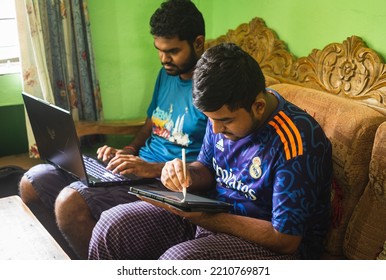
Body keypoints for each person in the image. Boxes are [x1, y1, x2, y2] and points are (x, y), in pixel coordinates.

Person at [88, 43, 333, 260]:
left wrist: (205, 218)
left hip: (272, 243)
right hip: (213, 212)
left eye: (224, 121)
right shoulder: (220, 115)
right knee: (113, 224)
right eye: (210, 119)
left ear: (258, 106)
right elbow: (205, 168)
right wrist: (182, 173)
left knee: (179, 262)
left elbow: (286, 240)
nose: (215, 128)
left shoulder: (296, 140)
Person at [18, 0, 207, 259]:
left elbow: (212, 166)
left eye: (172, 51)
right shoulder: (167, 74)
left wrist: (151, 168)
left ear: (198, 43)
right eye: (159, 50)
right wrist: (126, 151)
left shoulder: (212, 90)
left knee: (69, 203)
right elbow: (151, 124)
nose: (164, 59)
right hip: (136, 168)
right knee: (33, 181)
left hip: (164, 182)